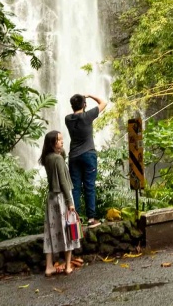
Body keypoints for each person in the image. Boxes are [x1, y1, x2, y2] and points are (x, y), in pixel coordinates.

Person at [39, 130, 81, 276]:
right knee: (69, 229)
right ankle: (68, 265)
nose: (62, 142)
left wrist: (60, 151)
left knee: (51, 232)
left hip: (51, 199)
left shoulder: (47, 158)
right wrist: (70, 202)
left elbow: (61, 155)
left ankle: (49, 266)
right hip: (62, 198)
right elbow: (63, 182)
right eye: (59, 140)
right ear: (52, 143)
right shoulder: (58, 159)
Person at [65, 93, 109, 228]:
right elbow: (104, 102)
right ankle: (91, 218)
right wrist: (89, 96)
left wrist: (83, 101)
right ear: (84, 105)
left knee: (75, 188)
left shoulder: (67, 119)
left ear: (72, 105)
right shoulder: (87, 116)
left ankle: (75, 219)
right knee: (89, 186)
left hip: (73, 157)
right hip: (88, 155)